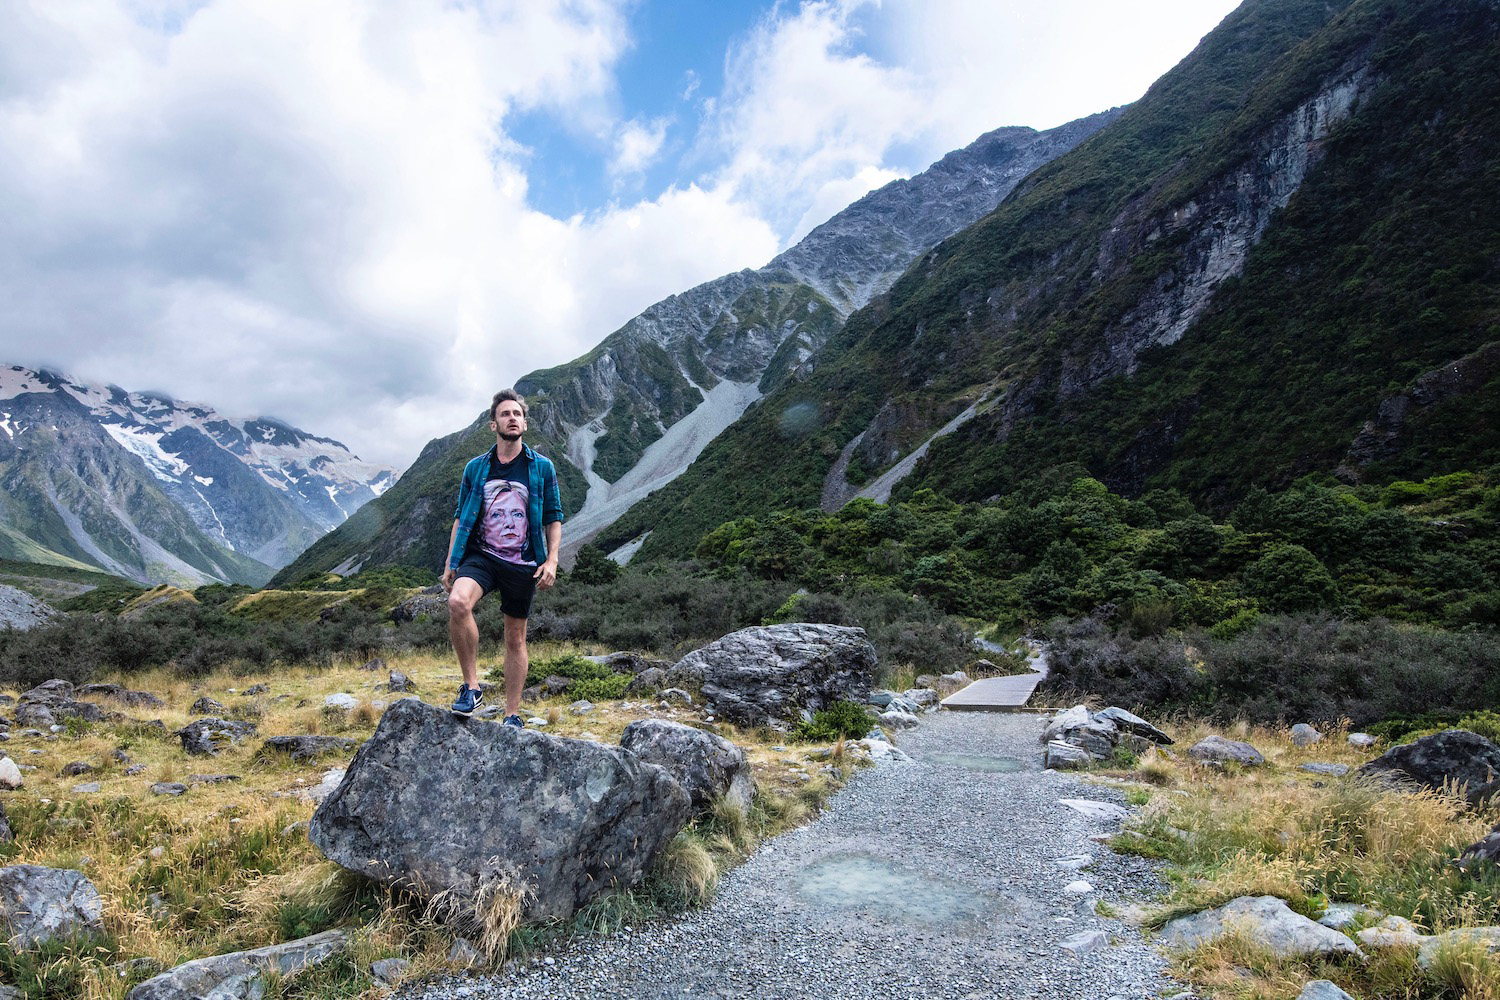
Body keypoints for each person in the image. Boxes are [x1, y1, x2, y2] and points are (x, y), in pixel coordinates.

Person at [441, 388, 564, 724]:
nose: (513, 418)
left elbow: (553, 517)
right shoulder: (475, 468)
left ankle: (512, 714)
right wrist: (453, 562)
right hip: (481, 555)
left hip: (523, 563)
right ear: (493, 424)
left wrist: (551, 560)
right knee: (458, 603)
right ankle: (471, 687)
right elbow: (460, 516)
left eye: (518, 414)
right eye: (506, 414)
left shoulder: (541, 468)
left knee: (515, 637)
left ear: (525, 422)